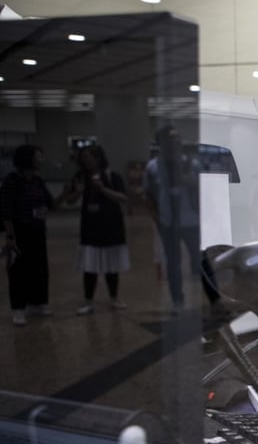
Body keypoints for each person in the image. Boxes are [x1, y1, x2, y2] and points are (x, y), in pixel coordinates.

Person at [61, 144, 131, 313]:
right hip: (90, 227)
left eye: (89, 158)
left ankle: (114, 298)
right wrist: (78, 192)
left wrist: (104, 189)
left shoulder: (113, 177)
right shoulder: (80, 177)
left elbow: (123, 198)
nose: (86, 162)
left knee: (111, 265)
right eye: (83, 159)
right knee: (89, 265)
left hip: (111, 226)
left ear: (99, 158)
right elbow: (69, 200)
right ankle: (88, 302)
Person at [143, 124, 202, 313]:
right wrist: (157, 219)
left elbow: (203, 190)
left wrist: (188, 180)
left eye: (177, 139)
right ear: (161, 144)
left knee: (201, 260)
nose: (174, 143)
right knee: (173, 263)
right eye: (169, 140)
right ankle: (178, 300)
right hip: (168, 223)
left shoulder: (189, 163)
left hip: (191, 220)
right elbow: (148, 196)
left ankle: (214, 300)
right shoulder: (152, 167)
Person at [0, 144, 54, 326]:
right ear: (28, 158)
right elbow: (5, 210)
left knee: (39, 268)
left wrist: (70, 192)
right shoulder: (12, 180)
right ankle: (18, 309)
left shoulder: (37, 181)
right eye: (38, 156)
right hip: (19, 232)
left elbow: (51, 203)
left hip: (37, 230)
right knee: (18, 271)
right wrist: (10, 235)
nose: (41, 159)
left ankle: (37, 302)